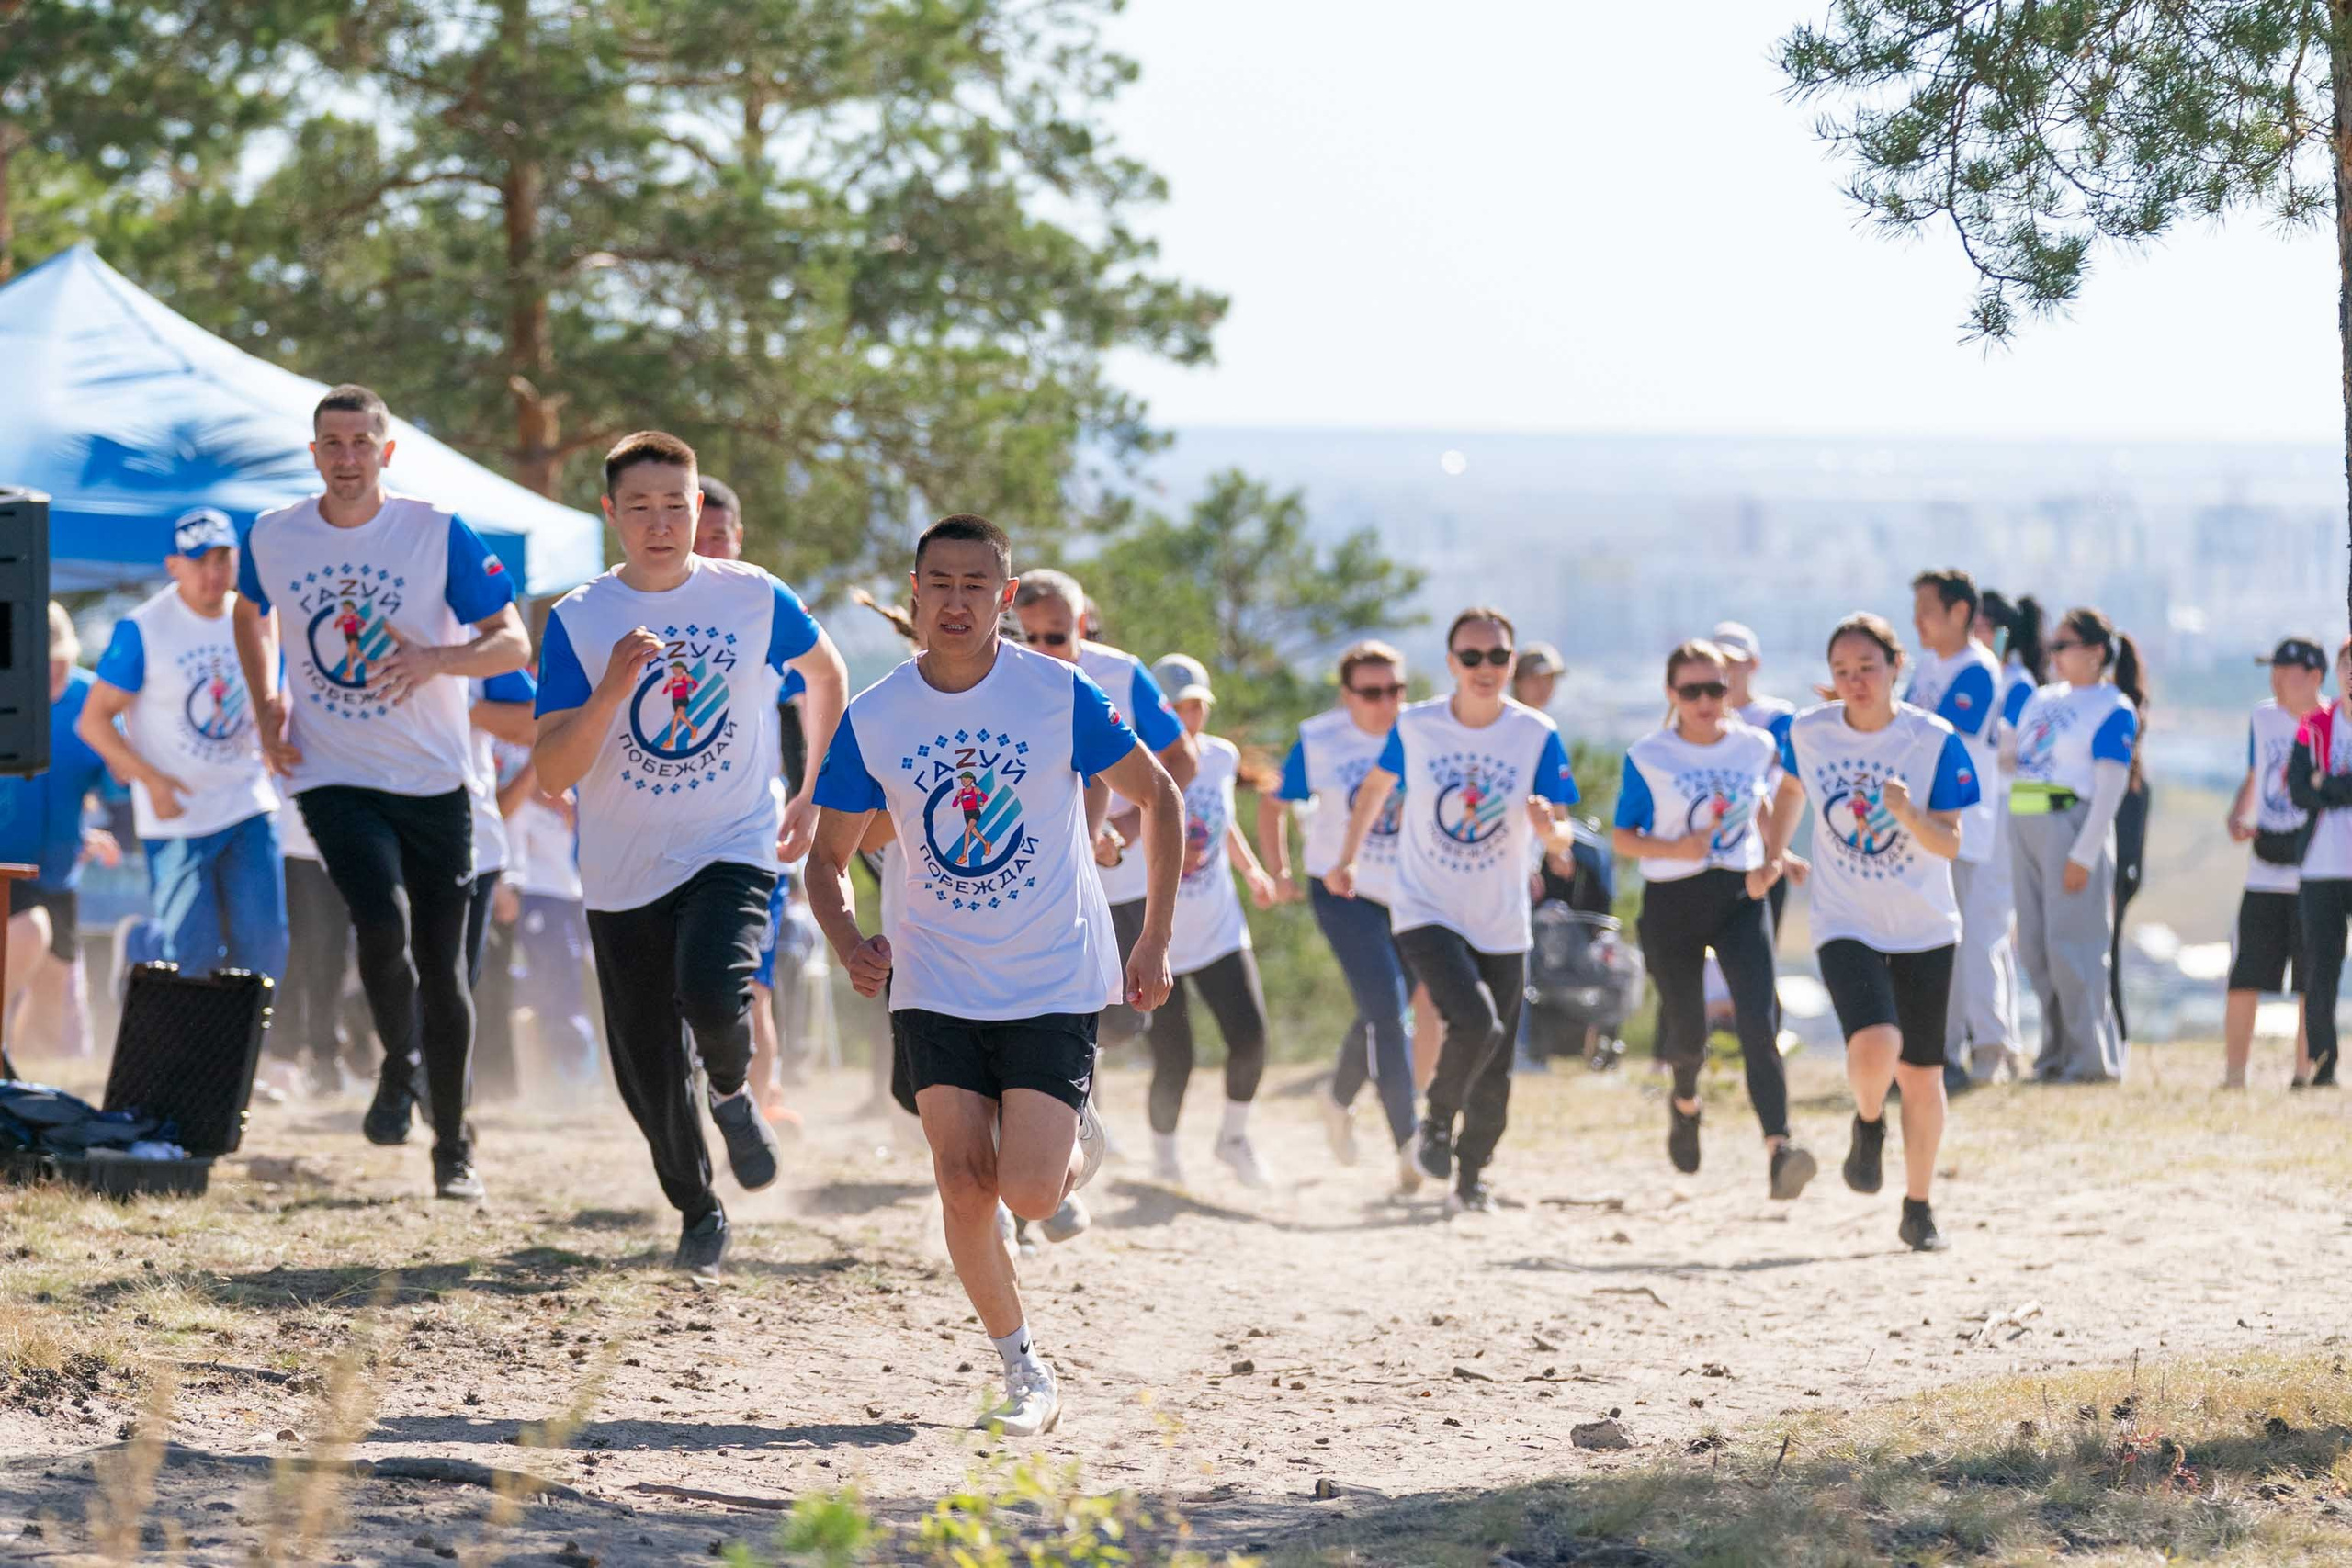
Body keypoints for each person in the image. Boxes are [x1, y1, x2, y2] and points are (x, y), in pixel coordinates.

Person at [807, 513, 1182, 1439]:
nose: (957, 600)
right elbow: (825, 859)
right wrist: (849, 936)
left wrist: (1153, 943)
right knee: (962, 1180)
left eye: (978, 585)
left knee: (1031, 1193)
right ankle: (1023, 1371)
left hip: (1052, 972)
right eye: (940, 582)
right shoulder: (878, 716)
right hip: (933, 977)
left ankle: (1071, 1139)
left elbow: (1159, 795)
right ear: (914, 595)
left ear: (1005, 598)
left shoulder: (1055, 695)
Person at [534, 431, 848, 1275]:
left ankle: (734, 1093)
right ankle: (698, 1208)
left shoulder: (752, 595)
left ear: (701, 506)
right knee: (643, 1069)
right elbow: (552, 768)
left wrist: (815, 791)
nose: (662, 521)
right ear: (611, 513)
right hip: (621, 869)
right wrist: (609, 690)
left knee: (716, 992)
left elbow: (828, 675)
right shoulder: (579, 618)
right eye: (640, 506)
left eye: (678, 504)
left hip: (733, 841)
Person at [234, 385, 530, 1199]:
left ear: (387, 452)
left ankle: (450, 1141)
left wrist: (437, 660)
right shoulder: (274, 534)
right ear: (314, 453)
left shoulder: (436, 531)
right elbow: (249, 609)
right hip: (332, 772)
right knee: (380, 915)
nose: (348, 457)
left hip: (435, 778)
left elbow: (511, 640)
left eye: (363, 441)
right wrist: (267, 702)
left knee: (444, 969)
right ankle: (400, 1064)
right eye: (333, 443)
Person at [1328, 607, 1581, 1214]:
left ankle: (1472, 1177)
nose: (1485, 667)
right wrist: (1348, 857)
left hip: (1501, 916)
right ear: (1451, 664)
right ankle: (1436, 1121)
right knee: (1477, 1021)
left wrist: (1552, 835)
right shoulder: (1417, 726)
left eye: (1497, 656)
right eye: (1472, 656)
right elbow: (1373, 790)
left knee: (1495, 1065)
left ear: (1512, 662)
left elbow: (1563, 832)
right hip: (1425, 906)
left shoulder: (1535, 733)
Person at [1759, 613, 1979, 1253]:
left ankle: (1918, 1205)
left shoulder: (1932, 740)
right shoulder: (1809, 731)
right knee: (1876, 1038)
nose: (1855, 682)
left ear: (1896, 668)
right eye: (1842, 671)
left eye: (1867, 669)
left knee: (1922, 1074)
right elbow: (1792, 791)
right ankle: (1866, 1119)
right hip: (1844, 918)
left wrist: (1908, 813)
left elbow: (1949, 841)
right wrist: (1773, 852)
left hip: (1924, 924)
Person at [1613, 639, 1814, 1198]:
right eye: (1691, 690)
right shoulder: (1649, 755)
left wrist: (1776, 859)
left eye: (1715, 689)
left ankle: (1780, 1148)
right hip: (1671, 902)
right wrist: (1677, 850)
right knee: (1688, 1033)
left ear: (1731, 690)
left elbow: (1766, 808)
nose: (1704, 701)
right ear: (1671, 694)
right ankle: (1685, 1103)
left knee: (1758, 1020)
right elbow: (1623, 836)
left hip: (1737, 898)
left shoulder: (1754, 745)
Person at [79, 509, 288, 997]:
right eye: (199, 562)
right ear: (174, 566)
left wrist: (277, 738)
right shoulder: (144, 628)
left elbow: (270, 701)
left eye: (222, 559)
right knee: (193, 955)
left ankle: (247, 1066)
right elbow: (92, 720)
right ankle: (142, 946)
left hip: (246, 802)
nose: (213, 574)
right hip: (176, 819)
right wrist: (150, 780)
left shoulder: (256, 616)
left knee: (264, 947)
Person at [1010, 570, 1196, 1055]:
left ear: (1083, 621)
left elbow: (1181, 759)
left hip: (1118, 879)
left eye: (1055, 635)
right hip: (1036, 880)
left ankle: (1081, 1092)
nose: (1042, 648)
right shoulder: (1002, 681)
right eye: (1028, 638)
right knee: (1054, 1008)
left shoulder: (1121, 673)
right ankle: (1070, 1105)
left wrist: (1128, 827)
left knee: (1120, 1021)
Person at [1259, 639, 1421, 1190]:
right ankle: (1410, 1143)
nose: (1386, 702)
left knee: (1385, 1007)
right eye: (1371, 692)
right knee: (1390, 1015)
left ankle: (1336, 1098)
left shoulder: (1423, 732)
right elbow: (1272, 803)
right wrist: (1279, 871)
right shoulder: (1320, 739)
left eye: (1396, 690)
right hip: (1341, 890)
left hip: (1414, 894)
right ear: (1345, 694)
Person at [692, 472, 806, 1119]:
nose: (706, 549)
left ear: (739, 537)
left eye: (717, 536)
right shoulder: (644, 605)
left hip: (752, 832)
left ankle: (759, 1110)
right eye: (696, 536)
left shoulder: (764, 609)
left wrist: (810, 797)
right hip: (666, 833)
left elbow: (817, 700)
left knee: (750, 985)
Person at [1141, 654, 1279, 1188]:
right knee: (1176, 1058)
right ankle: (1164, 1155)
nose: (1190, 717)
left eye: (1197, 706)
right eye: (1178, 709)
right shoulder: (1137, 766)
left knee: (1251, 1037)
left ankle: (1234, 1137)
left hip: (1221, 927)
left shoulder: (1221, 757)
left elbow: (1220, 825)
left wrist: (1253, 872)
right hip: (1160, 937)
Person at [2005, 606, 2143, 1085]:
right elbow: (2014, 756)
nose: (2054, 654)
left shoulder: (2112, 706)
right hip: (2025, 818)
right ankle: (2055, 1052)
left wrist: (2083, 853)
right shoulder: (2041, 699)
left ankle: (2090, 1060)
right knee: (2037, 950)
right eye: (2054, 646)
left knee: (2074, 949)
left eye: (2064, 646)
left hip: (2070, 822)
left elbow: (2110, 787)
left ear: (2096, 652)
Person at [0, 604, 122, 1059]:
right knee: (29, 933)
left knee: (53, 992)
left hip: (58, 871)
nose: (54, 669)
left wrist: (89, 830)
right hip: (5, 865)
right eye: (43, 659)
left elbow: (113, 782)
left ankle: (27, 1088)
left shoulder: (92, 701)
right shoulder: (7, 700)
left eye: (62, 657)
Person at [1905, 569, 2007, 1092]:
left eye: (1927, 609)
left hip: (1962, 827)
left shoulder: (1977, 669)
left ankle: (1970, 1051)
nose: (1917, 621)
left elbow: (1936, 737)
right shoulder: (1927, 666)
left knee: (1962, 945)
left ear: (1960, 612)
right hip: (1922, 826)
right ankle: (1931, 1051)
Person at [2223, 637, 2324, 1089]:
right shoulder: (2262, 718)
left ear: (2314, 676)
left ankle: (2305, 1072)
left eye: (2288, 671)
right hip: (2264, 866)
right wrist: (2237, 814)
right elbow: (2253, 773)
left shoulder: (2334, 724)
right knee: (2246, 973)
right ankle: (2234, 1074)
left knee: (2311, 980)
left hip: (2316, 868)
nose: (2278, 680)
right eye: (2274, 671)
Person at [504, 773, 599, 1091]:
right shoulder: (518, 804)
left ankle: (584, 1071)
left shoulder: (571, 804)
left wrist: (573, 818)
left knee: (575, 982)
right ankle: (567, 1074)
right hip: (538, 898)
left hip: (576, 897)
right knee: (557, 983)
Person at [2289, 638, 2352, 1088]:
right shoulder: (2313, 726)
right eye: (2347, 664)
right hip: (2320, 864)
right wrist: (2334, 786)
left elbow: (2320, 787)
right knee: (2320, 966)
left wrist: (2325, 783)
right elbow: (2297, 788)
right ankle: (2323, 1061)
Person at [1512, 643, 1565, 712]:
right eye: (1536, 680)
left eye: (1550, 679)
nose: (1544, 687)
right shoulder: (1502, 720)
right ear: (1518, 680)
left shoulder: (1543, 721)